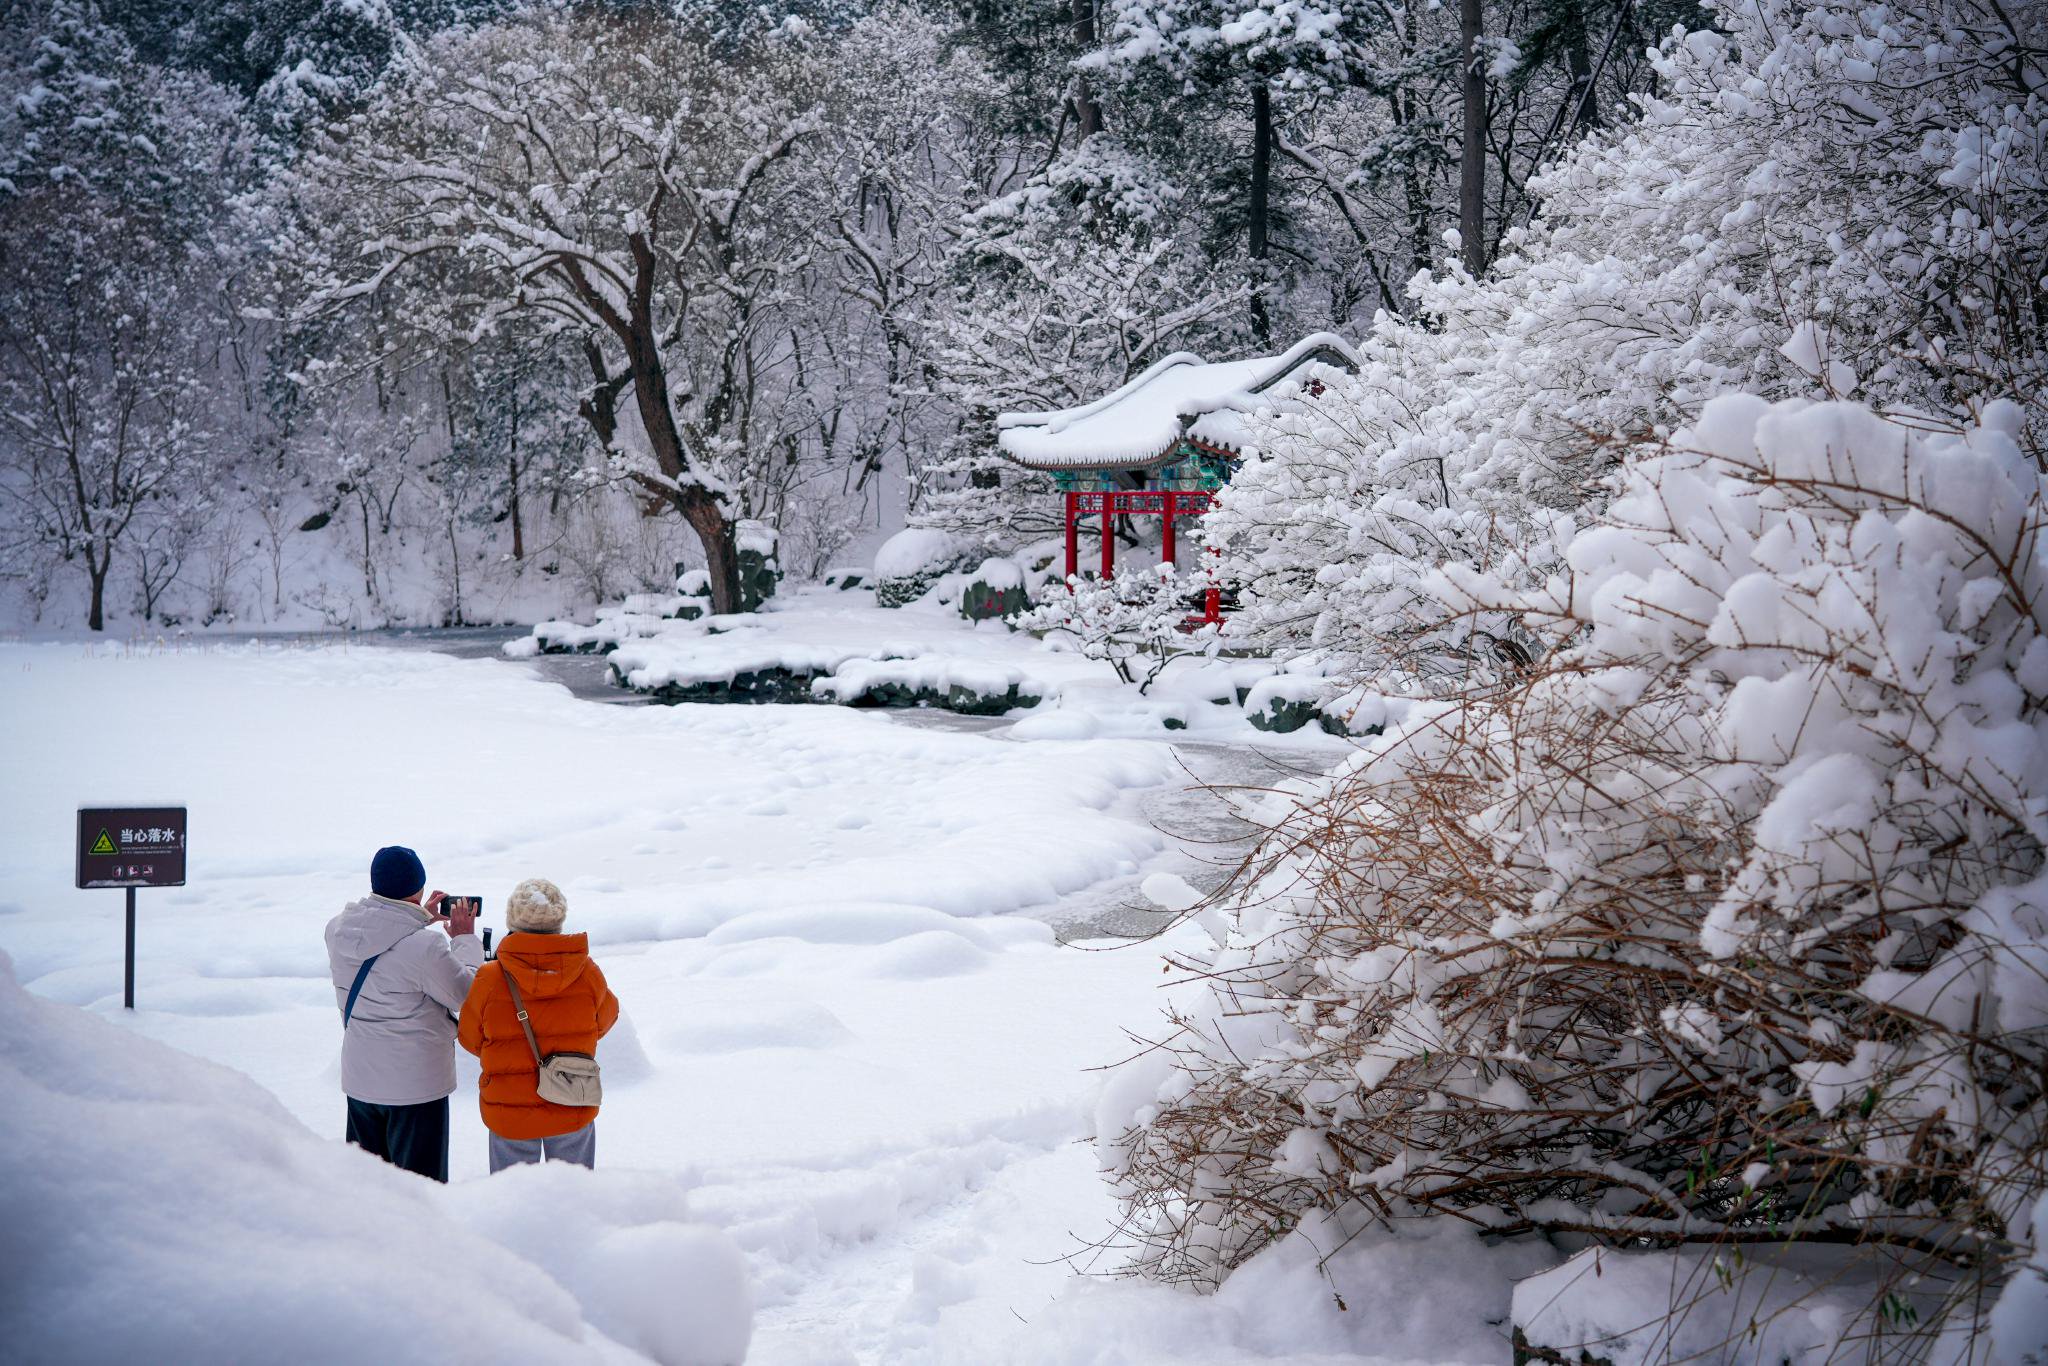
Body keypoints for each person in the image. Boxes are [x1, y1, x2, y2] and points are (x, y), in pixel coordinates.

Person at [324, 845, 482, 1183]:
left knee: (369, 1187)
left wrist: (417, 917)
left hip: (361, 1082)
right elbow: (467, 995)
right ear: (420, 888)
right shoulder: (425, 947)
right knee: (420, 1191)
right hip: (416, 1088)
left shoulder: (337, 930)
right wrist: (465, 940)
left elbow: (382, 934)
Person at [459, 878, 618, 1172]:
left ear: (512, 919)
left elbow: (470, 1037)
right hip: (573, 1098)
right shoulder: (586, 972)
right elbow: (606, 1019)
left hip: (509, 1108)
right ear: (559, 919)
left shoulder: (490, 978)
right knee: (575, 1189)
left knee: (512, 1192)